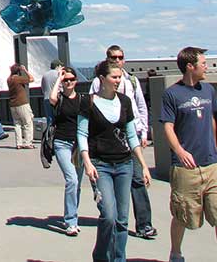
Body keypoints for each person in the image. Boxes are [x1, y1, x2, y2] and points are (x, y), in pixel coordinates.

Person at [78, 58, 151, 262]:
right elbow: (81, 133)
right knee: (108, 215)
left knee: (122, 218)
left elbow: (131, 136)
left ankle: (119, 258)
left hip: (124, 164)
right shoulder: (89, 102)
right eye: (114, 77)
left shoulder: (124, 102)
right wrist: (87, 162)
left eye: (120, 77)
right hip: (100, 165)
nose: (118, 80)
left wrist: (143, 165)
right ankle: (101, 256)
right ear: (102, 78)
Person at [90, 44, 157, 239]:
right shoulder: (98, 82)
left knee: (138, 180)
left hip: (131, 136)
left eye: (120, 57)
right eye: (113, 57)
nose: (117, 60)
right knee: (117, 185)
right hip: (109, 141)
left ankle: (144, 224)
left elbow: (140, 107)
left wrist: (143, 131)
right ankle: (113, 219)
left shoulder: (132, 81)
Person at [160, 45, 217, 262]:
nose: (207, 67)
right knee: (183, 214)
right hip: (186, 168)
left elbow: (211, 119)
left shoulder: (209, 90)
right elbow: (167, 126)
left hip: (211, 164)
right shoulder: (172, 94)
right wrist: (180, 151)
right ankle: (176, 253)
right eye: (204, 63)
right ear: (190, 66)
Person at [49, 65, 84, 236]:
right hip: (62, 143)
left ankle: (72, 217)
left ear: (76, 81)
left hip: (79, 146)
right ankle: (70, 221)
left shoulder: (83, 100)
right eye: (66, 80)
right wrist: (58, 79)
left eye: (71, 79)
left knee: (77, 184)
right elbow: (51, 98)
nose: (69, 82)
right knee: (72, 180)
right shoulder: (60, 98)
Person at [7, 63, 35, 149]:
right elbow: (32, 79)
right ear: (18, 71)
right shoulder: (18, 79)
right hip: (22, 103)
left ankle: (18, 143)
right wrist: (25, 70)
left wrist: (12, 70)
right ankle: (27, 142)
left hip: (13, 104)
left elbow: (11, 75)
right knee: (28, 123)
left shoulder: (9, 79)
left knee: (17, 124)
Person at [41, 59, 63, 126]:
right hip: (56, 99)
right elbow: (61, 88)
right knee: (59, 118)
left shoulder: (45, 75)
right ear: (58, 66)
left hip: (46, 98)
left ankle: (49, 134)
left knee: (50, 119)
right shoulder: (58, 74)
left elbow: (43, 88)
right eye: (60, 66)